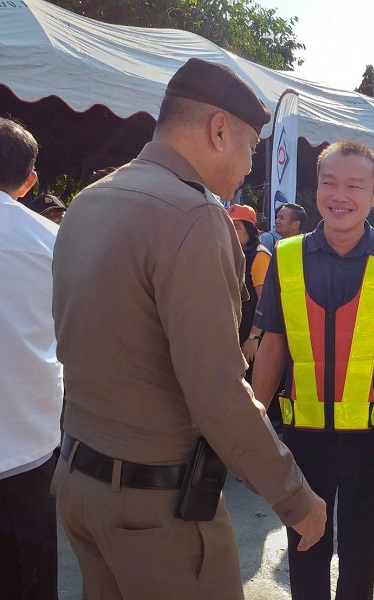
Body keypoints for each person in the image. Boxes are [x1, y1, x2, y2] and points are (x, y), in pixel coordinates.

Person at [50, 58, 326, 600]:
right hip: (155, 510)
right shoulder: (193, 215)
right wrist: (294, 496)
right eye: (250, 147)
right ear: (218, 129)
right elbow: (217, 390)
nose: (249, 165)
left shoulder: (90, 200)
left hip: (80, 481)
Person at [251, 140, 374, 600]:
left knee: (360, 559)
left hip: (373, 442)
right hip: (303, 440)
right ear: (316, 190)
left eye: (354, 185)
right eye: (329, 183)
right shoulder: (286, 256)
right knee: (305, 551)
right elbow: (272, 345)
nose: (340, 195)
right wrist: (253, 428)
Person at [0, 118, 63, 600]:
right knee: (30, 578)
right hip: (31, 442)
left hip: (33, 441)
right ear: (29, 181)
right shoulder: (52, 241)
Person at [227, 203, 270, 383]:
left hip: (251, 338)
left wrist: (254, 337)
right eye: (228, 225)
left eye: (236, 227)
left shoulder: (259, 256)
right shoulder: (235, 254)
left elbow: (265, 302)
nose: (230, 231)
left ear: (250, 231)